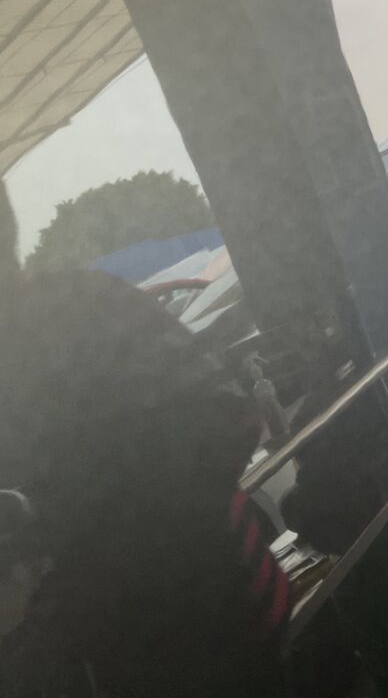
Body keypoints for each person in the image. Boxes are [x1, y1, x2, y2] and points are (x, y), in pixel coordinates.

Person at [0, 183, 289, 696]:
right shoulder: (92, 302)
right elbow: (232, 414)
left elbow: (228, 417)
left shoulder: (86, 309)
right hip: (157, 634)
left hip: (203, 619)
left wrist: (95, 541)